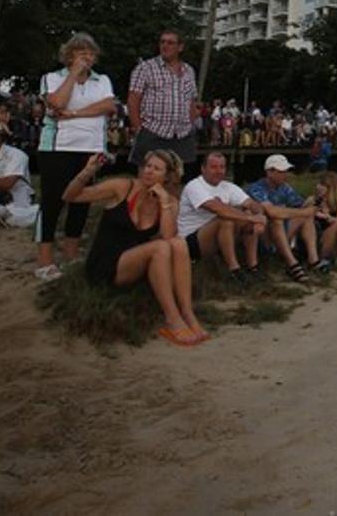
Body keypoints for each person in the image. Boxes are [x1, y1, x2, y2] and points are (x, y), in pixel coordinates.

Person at [66, 150, 207, 347]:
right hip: (105, 264)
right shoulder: (123, 186)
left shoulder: (170, 201)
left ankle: (187, 313)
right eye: (147, 166)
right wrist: (88, 171)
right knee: (160, 248)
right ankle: (172, 318)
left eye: (156, 169)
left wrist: (164, 202)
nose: (148, 171)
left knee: (178, 243)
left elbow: (168, 237)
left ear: (167, 176)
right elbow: (71, 196)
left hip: (133, 263)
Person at [35, 32, 117, 282]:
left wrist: (74, 114)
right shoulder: (51, 78)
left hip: (91, 148)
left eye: (92, 54)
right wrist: (72, 75)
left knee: (81, 201)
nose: (89, 58)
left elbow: (108, 107)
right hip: (57, 147)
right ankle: (45, 260)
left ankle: (71, 254)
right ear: (70, 56)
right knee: (52, 203)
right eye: (83, 54)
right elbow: (56, 103)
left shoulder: (102, 80)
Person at [176, 152, 268, 287]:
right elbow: (216, 208)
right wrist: (250, 218)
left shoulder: (228, 187)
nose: (218, 171)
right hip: (192, 241)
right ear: (203, 168)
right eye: (213, 167)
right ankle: (234, 270)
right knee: (225, 219)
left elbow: (252, 204)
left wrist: (259, 217)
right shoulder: (194, 186)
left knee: (245, 214)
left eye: (222, 167)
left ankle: (253, 267)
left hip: (218, 236)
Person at [127, 29, 199, 173]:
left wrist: (190, 123)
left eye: (170, 43)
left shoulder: (189, 71)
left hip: (182, 135)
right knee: (147, 179)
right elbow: (133, 100)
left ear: (180, 47)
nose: (165, 45)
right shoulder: (145, 68)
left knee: (176, 179)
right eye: (162, 42)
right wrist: (138, 128)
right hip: (153, 132)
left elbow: (191, 100)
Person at [243, 154, 316, 283]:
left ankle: (313, 259)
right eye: (281, 171)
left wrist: (312, 202)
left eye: (286, 171)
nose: (285, 174)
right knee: (277, 219)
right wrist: (302, 212)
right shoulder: (257, 189)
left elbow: (299, 204)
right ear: (269, 172)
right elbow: (271, 212)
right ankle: (292, 263)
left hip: (281, 231)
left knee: (306, 216)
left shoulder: (285, 187)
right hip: (261, 234)